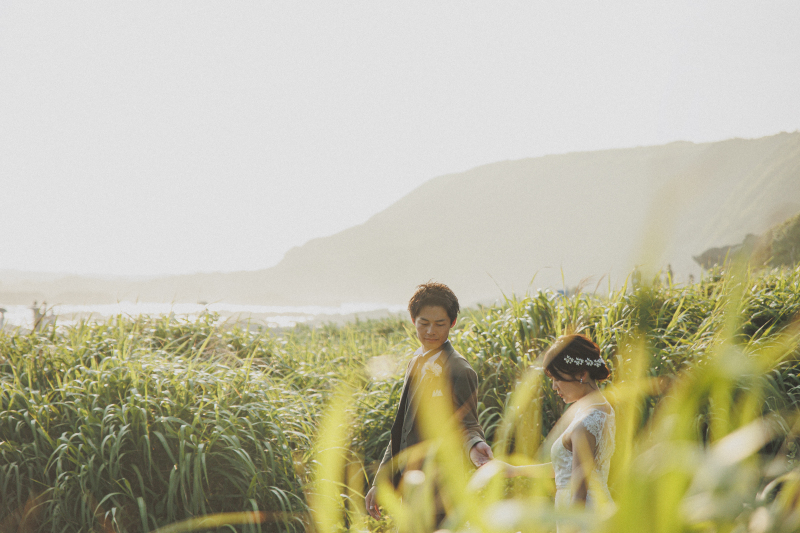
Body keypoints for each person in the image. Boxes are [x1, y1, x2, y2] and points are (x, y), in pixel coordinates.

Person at [365, 282, 493, 526]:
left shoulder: (460, 370)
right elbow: (401, 428)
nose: (431, 331)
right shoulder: (415, 361)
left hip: (440, 495)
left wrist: (476, 445)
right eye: (424, 323)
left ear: (453, 323)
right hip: (409, 491)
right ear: (413, 320)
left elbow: (468, 424)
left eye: (440, 324)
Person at [488, 334, 615, 528]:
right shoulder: (601, 409)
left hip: (580, 518)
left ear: (581, 374)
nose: (554, 387)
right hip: (595, 510)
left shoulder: (585, 423)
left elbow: (579, 495)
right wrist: (515, 470)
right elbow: (565, 468)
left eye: (557, 379)